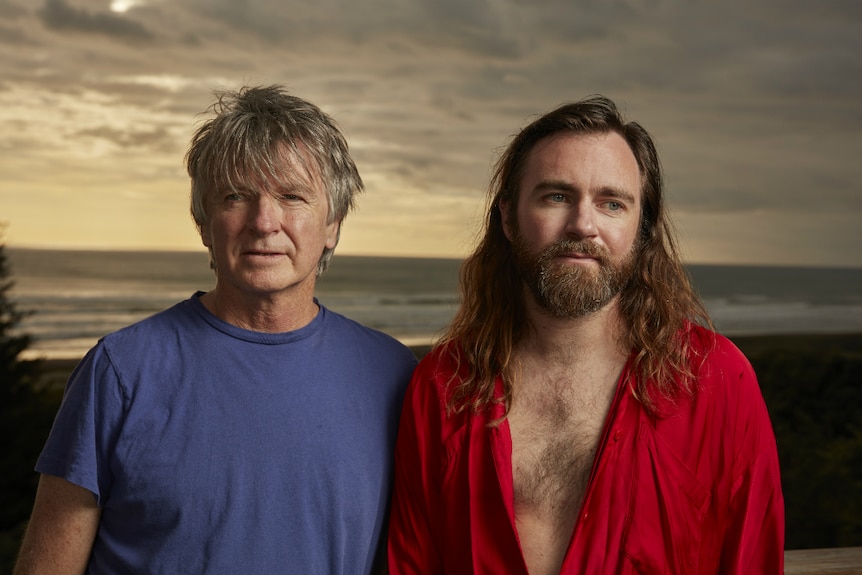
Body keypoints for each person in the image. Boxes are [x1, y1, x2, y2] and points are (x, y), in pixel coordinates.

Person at [15, 85, 417, 574]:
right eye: (235, 196)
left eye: (292, 196)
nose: (264, 222)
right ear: (204, 224)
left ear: (332, 223)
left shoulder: (395, 375)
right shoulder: (120, 372)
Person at [387, 95, 784, 574]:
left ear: (641, 231)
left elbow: (751, 559)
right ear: (509, 219)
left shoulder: (716, 378)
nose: (583, 224)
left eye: (611, 203)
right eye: (556, 196)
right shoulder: (442, 386)